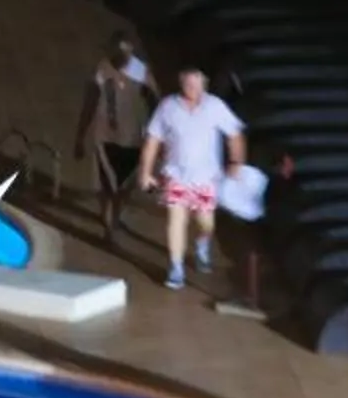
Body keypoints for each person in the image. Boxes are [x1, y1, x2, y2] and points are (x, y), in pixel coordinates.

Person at [138, 66, 245, 291]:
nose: (192, 89)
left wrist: (236, 162)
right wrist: (145, 172)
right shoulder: (168, 107)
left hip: (206, 178)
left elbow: (235, 134)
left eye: (196, 85)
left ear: (203, 85)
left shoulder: (215, 106)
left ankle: (202, 243)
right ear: (181, 84)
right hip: (176, 175)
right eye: (188, 85)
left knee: (205, 223)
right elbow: (152, 140)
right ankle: (176, 267)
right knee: (176, 220)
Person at [74, 34, 156, 222]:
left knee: (125, 186)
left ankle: (115, 214)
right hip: (105, 137)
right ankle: (108, 222)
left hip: (133, 139)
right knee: (106, 185)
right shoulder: (102, 69)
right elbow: (90, 101)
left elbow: (154, 105)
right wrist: (80, 137)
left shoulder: (142, 73)